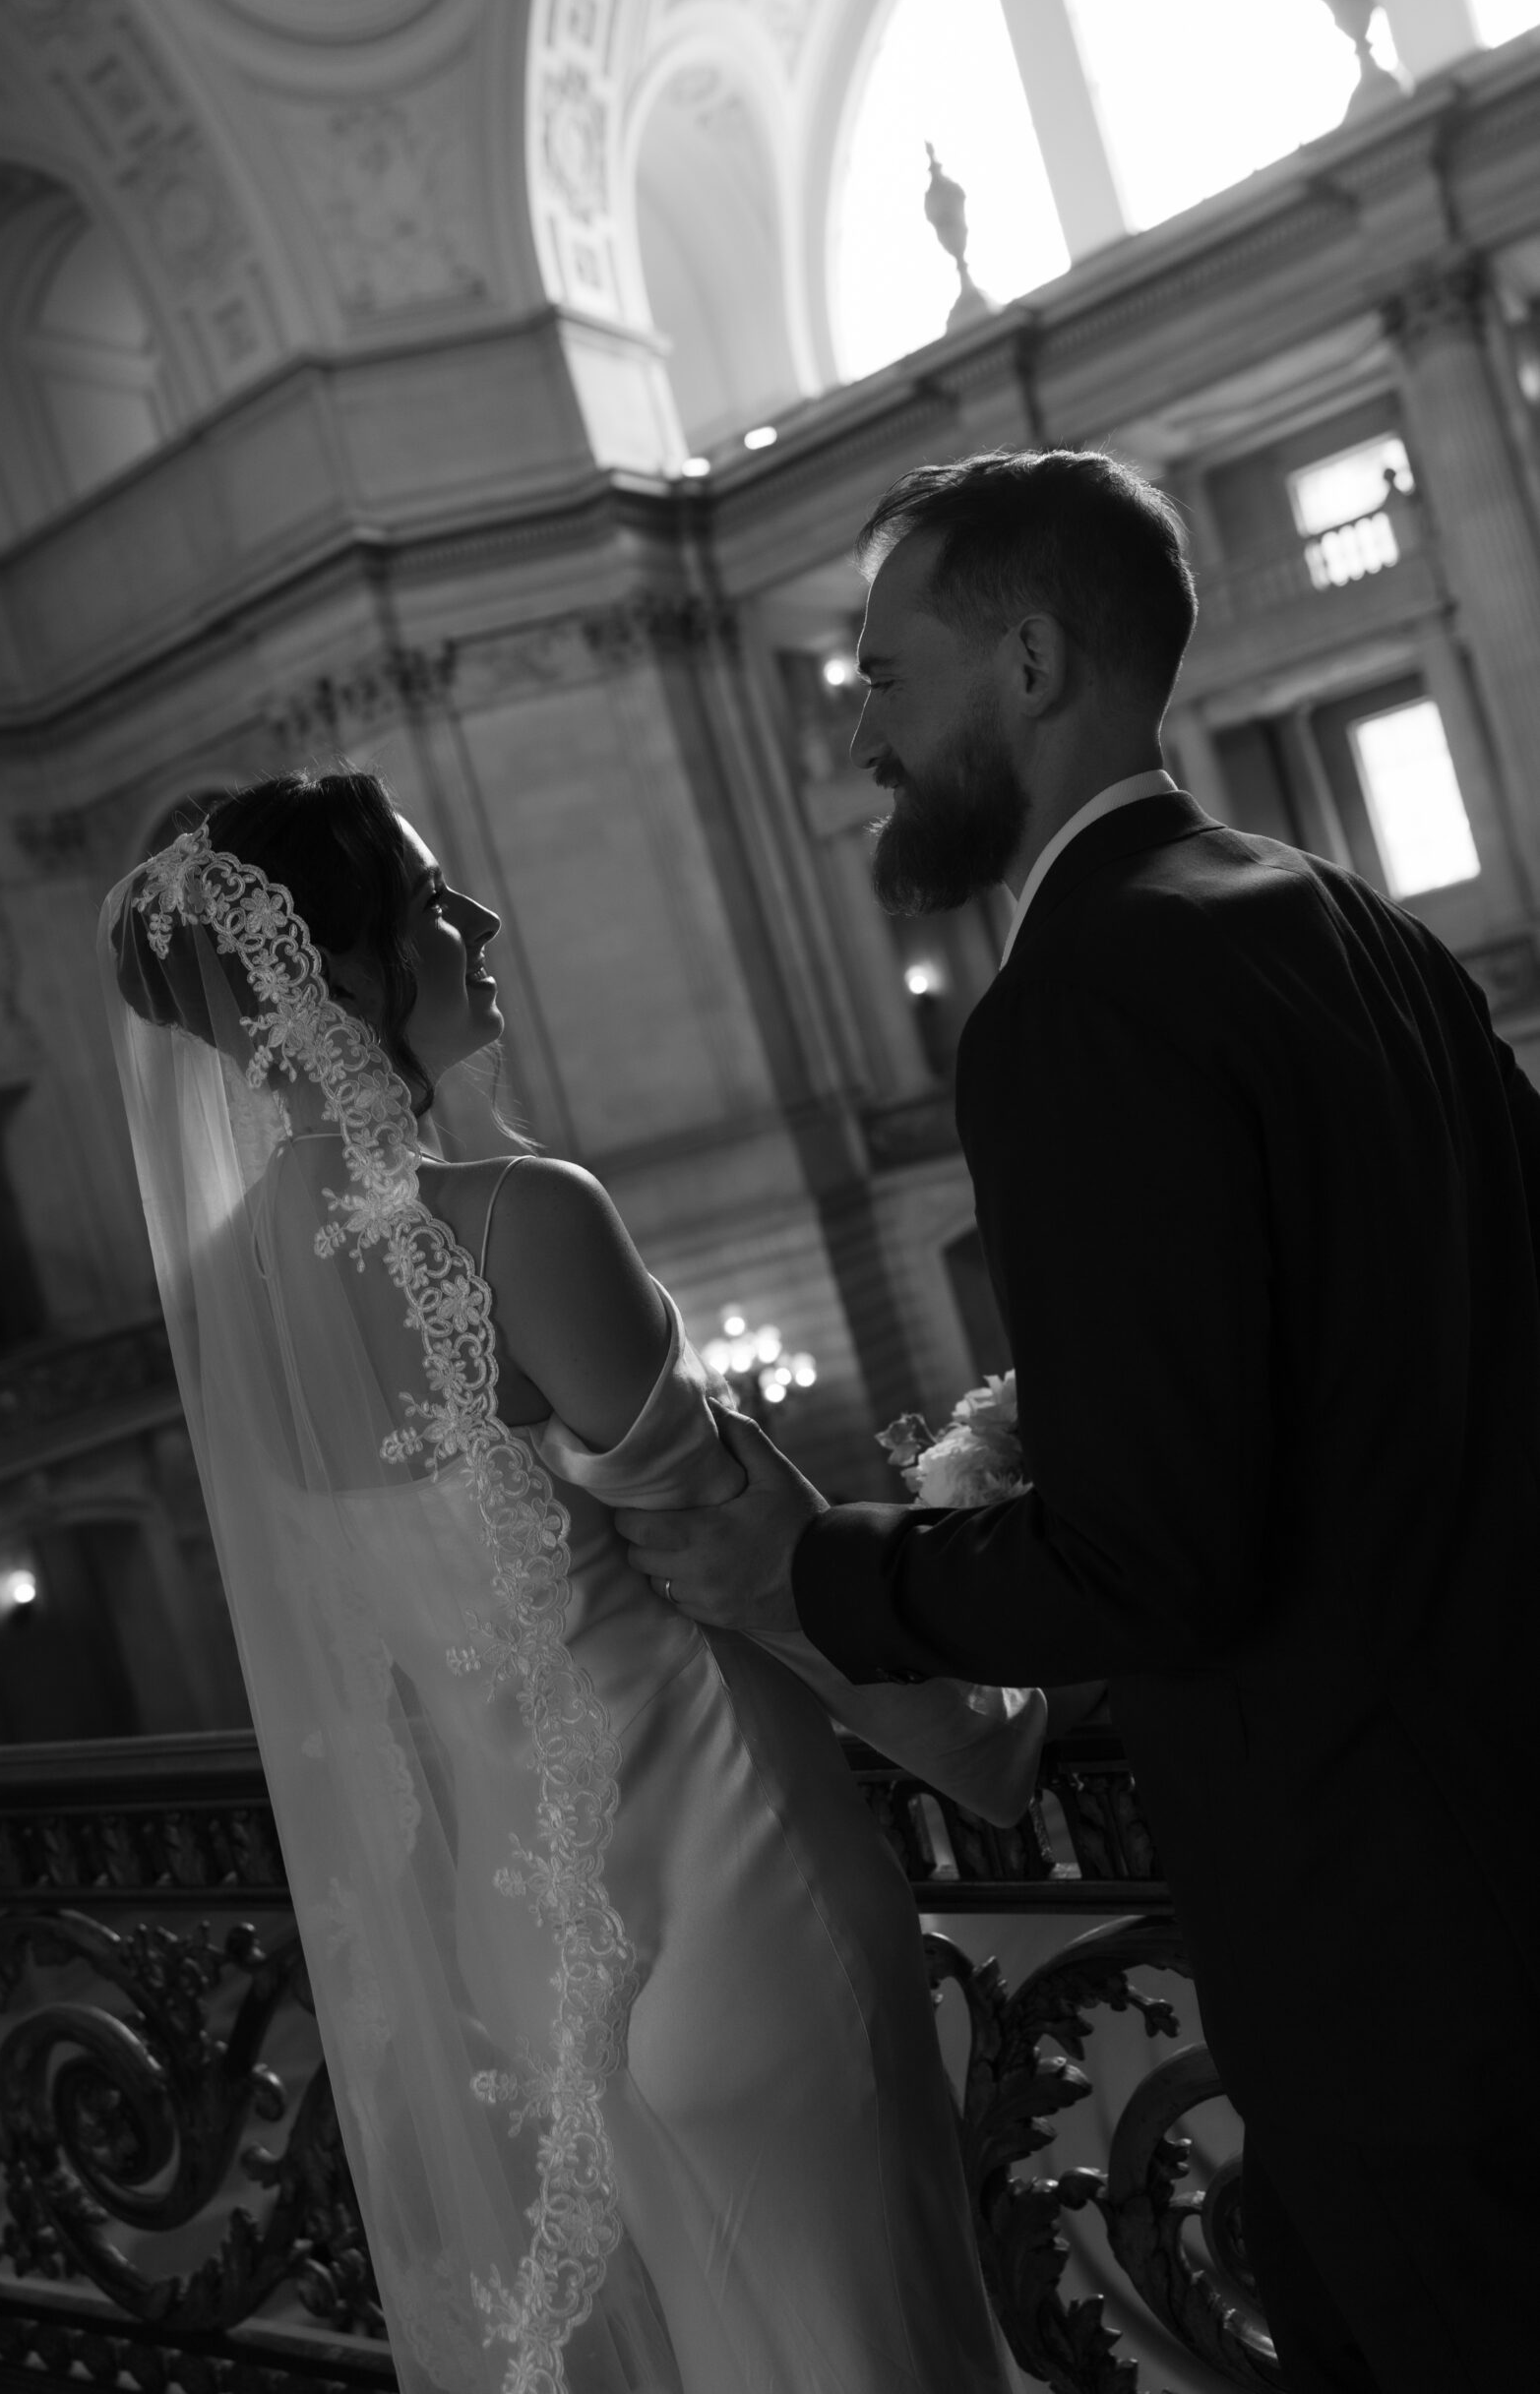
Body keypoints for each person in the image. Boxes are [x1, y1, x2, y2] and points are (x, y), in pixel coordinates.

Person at [617, 450, 1540, 2394]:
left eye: (879, 673)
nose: (851, 724)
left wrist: (814, 1566)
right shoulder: (1348, 924)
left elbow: (1159, 1551)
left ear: (1023, 660)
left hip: (1368, 1930)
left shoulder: (1075, 1003)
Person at [100, 770, 1041, 2394]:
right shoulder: (520, 1219)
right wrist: (990, 1718)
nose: (476, 922)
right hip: (735, 1903)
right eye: (428, 900)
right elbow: (737, 1563)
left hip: (525, 1969)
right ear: (334, 970)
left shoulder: (237, 1305)